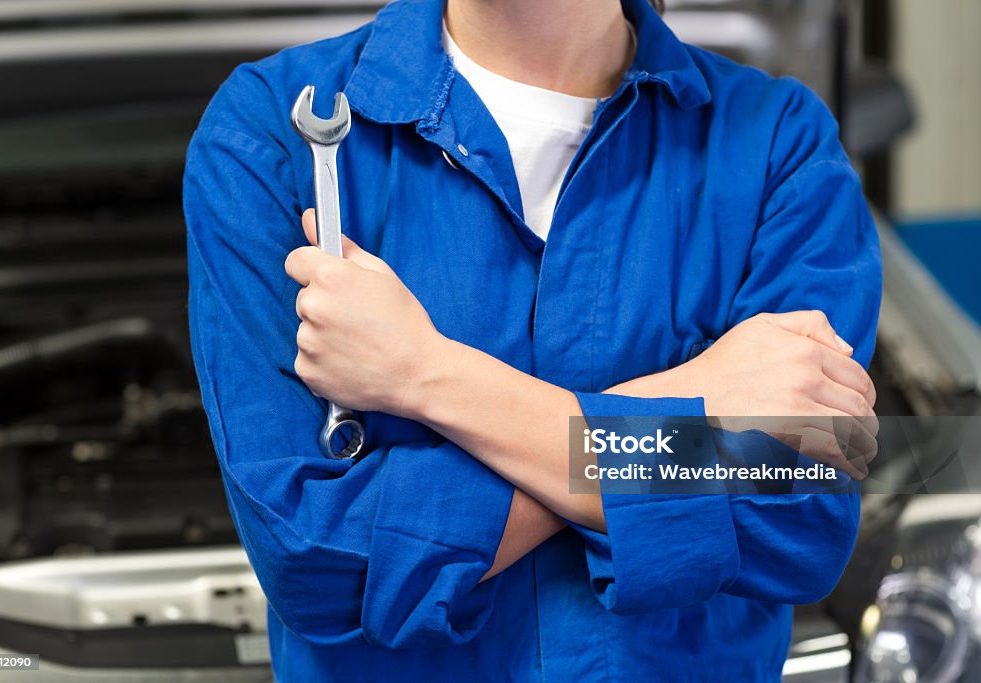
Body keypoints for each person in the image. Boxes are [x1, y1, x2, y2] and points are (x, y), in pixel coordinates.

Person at [183, 0, 882, 680]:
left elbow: (796, 517)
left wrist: (424, 372)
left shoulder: (777, 144)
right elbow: (320, 557)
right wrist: (688, 411)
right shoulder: (268, 131)